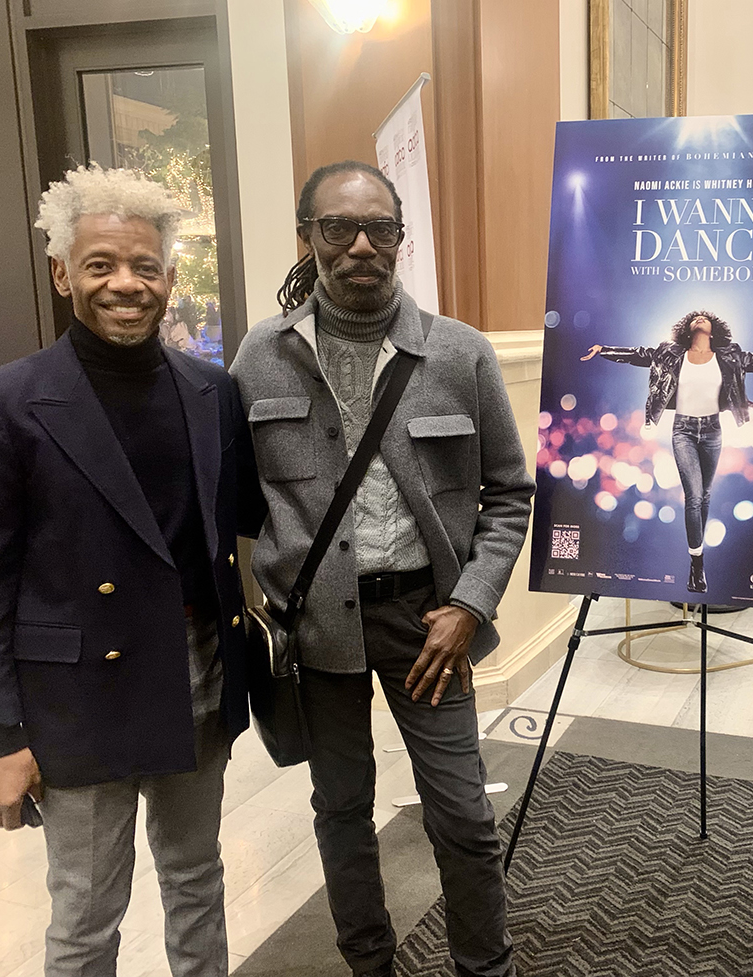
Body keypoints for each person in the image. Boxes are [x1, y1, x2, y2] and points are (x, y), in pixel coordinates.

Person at [0, 164, 265, 977]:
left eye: (144, 266)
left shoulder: (211, 390)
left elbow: (236, 531)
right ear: (63, 273)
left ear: (168, 277)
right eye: (100, 265)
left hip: (196, 674)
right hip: (77, 702)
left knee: (198, 878)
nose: (124, 283)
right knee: (88, 912)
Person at [231, 160, 532, 977]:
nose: (361, 245)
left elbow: (510, 494)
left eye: (381, 229)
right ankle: (370, 965)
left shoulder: (459, 354)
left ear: (401, 238)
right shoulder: (260, 358)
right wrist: (264, 609)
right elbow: (231, 502)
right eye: (339, 227)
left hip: (429, 622)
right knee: (341, 810)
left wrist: (469, 604)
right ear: (310, 236)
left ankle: (485, 966)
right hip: (319, 627)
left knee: (463, 815)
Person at [582, 310, 753, 592]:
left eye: (704, 316)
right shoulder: (670, 352)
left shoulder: (730, 354)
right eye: (694, 316)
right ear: (686, 327)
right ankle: (696, 566)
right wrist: (604, 351)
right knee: (694, 496)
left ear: (713, 329)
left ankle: (699, 558)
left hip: (713, 430)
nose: (698, 316)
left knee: (706, 495)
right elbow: (639, 355)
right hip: (682, 430)